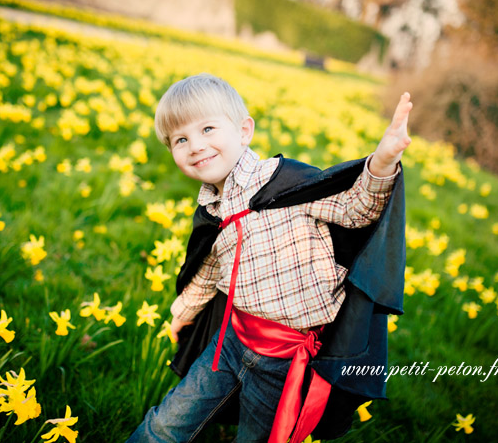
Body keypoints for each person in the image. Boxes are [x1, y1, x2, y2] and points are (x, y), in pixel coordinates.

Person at [127, 73, 411, 443]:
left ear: (244, 131)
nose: (196, 146)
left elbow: (357, 209)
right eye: (181, 139)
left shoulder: (288, 184)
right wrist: (183, 311)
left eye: (208, 129)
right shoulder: (213, 209)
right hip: (229, 343)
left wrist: (383, 162)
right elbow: (209, 270)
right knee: (166, 424)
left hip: (286, 359)